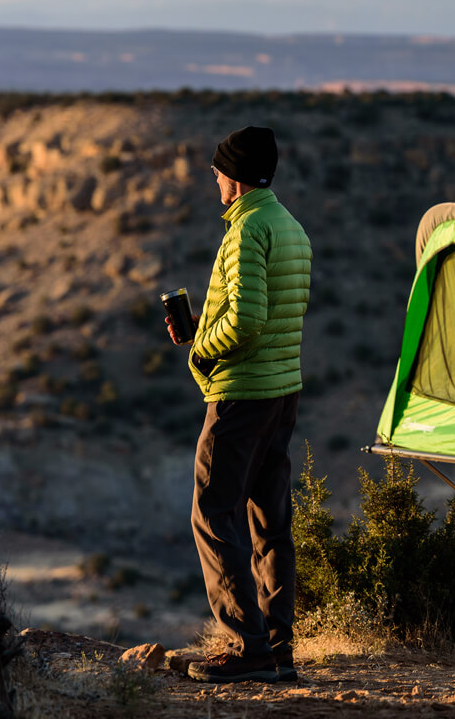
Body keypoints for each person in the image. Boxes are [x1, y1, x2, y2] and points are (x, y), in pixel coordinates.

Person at [165, 125, 312, 683]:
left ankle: (247, 648)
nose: (215, 179)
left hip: (242, 394)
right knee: (270, 523)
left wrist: (201, 345)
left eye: (220, 171)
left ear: (239, 177)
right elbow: (275, 313)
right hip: (282, 391)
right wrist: (208, 325)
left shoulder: (247, 230)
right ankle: (278, 649)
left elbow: (248, 319)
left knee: (212, 513)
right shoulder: (291, 227)